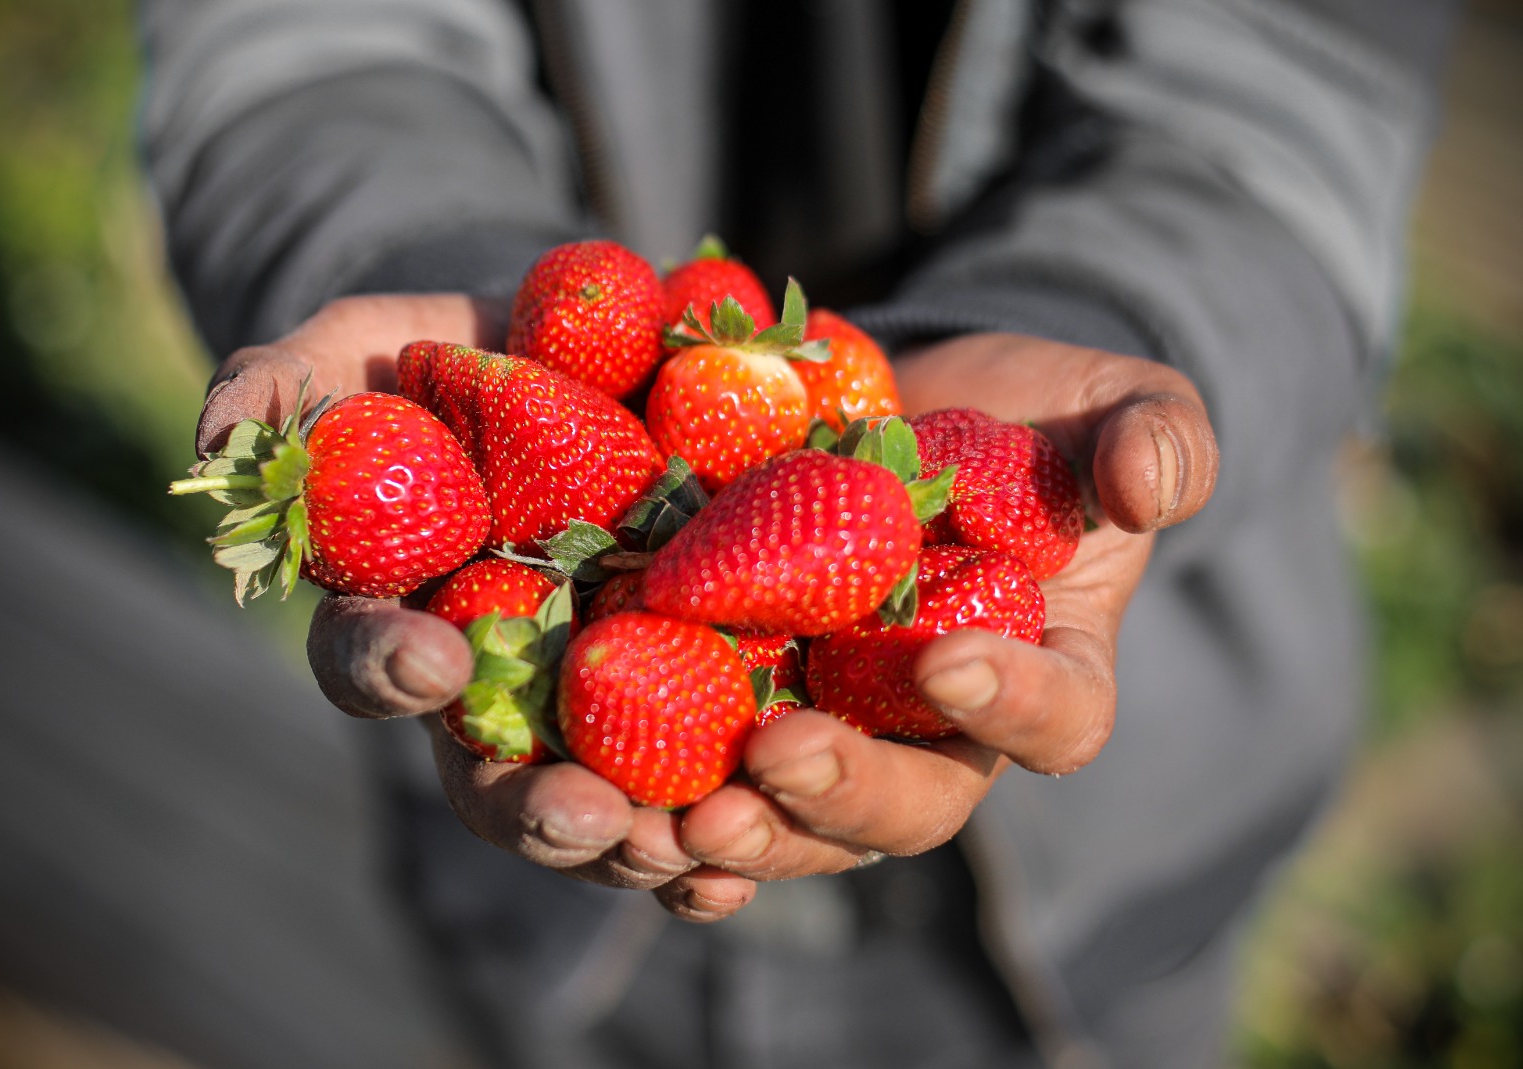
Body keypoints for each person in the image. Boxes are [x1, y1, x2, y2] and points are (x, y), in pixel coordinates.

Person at [132, 1, 1457, 1066]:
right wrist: (439, 283)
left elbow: (1281, 108)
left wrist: (1096, 318)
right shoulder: (636, 444)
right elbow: (303, 41)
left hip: (1116, 906)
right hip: (544, 921)